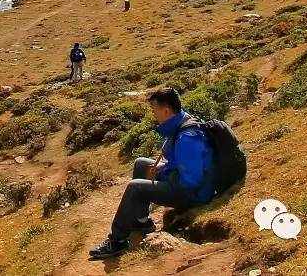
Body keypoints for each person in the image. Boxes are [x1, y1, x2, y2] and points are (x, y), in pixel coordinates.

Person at [88, 88, 214, 261]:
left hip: (193, 194)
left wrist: (165, 174)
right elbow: (183, 164)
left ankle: (118, 240)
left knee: (136, 187)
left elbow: (191, 180)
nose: (153, 113)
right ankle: (142, 222)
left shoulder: (186, 138)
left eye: (154, 109)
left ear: (166, 110)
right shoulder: (180, 122)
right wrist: (163, 169)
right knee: (141, 164)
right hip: (185, 181)